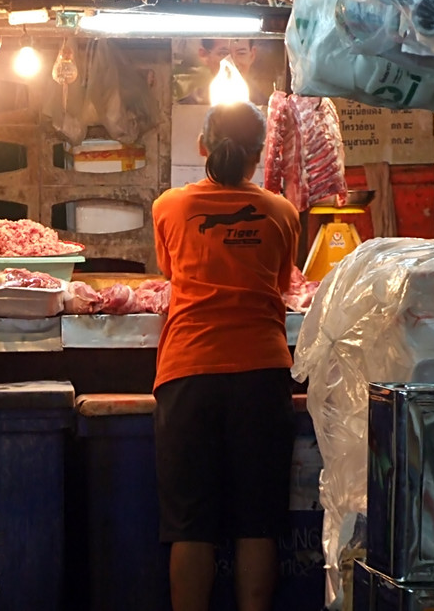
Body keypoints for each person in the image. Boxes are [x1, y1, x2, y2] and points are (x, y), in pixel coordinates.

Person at [151, 102, 300, 611]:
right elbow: (281, 285)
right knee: (258, 520)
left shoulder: (169, 206)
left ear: (202, 146)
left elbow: (171, 271)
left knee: (190, 524)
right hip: (262, 373)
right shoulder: (283, 213)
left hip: (189, 372)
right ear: (260, 155)